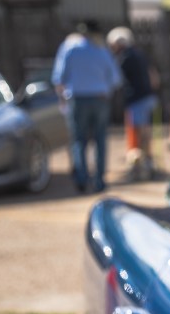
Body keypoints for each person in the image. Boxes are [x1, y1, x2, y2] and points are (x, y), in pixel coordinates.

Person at [52, 20, 121, 192]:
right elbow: (115, 79)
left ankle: (81, 178)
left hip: (77, 99)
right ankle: (99, 180)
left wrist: (62, 98)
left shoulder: (70, 49)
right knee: (100, 139)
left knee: (78, 140)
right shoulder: (102, 51)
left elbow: (58, 78)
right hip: (100, 98)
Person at [107, 26, 159, 180]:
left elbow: (115, 78)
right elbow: (153, 77)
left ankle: (142, 165)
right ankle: (146, 163)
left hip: (137, 99)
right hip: (148, 96)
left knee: (140, 133)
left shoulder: (126, 57)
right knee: (145, 131)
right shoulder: (139, 54)